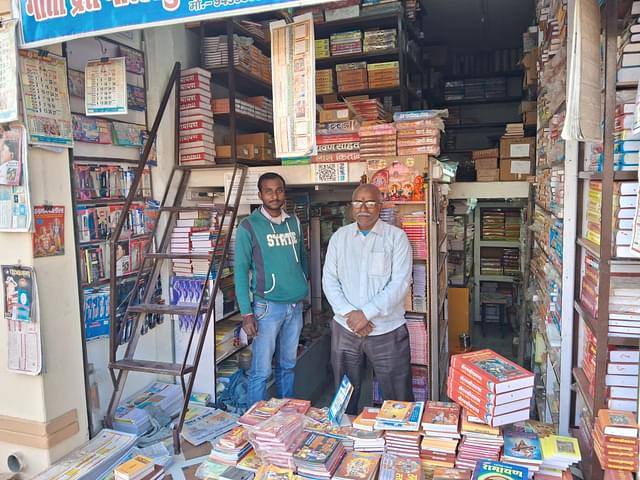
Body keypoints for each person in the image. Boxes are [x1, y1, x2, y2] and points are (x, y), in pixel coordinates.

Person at [322, 183, 413, 414]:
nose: (364, 208)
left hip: (386, 329)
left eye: (370, 202)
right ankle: (345, 438)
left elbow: (400, 283)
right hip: (346, 328)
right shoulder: (339, 238)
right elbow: (329, 281)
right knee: (344, 393)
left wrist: (366, 313)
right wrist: (350, 314)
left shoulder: (396, 238)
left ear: (380, 206)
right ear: (351, 207)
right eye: (358, 202)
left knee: (397, 395)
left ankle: (400, 441)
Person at [234, 172, 309, 405]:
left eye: (279, 190)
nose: (274, 196)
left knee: (288, 366)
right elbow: (239, 271)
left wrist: (301, 284)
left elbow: (302, 259)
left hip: (294, 306)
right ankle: (254, 424)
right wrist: (247, 314)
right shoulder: (248, 226)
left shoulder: (294, 221)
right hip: (267, 307)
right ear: (260, 195)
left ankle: (286, 417)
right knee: (261, 371)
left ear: (284, 192)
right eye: (268, 191)